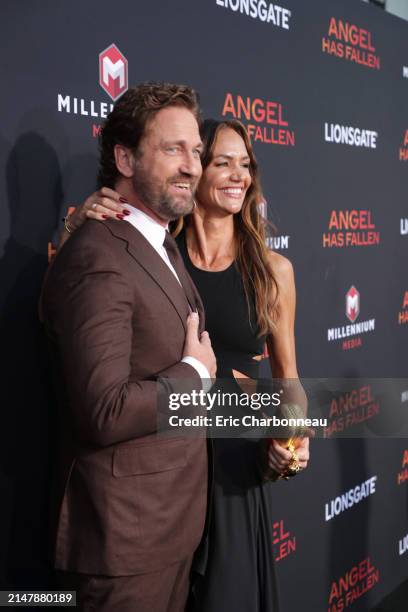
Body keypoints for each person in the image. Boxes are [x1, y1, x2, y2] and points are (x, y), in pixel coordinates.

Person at [63, 118, 310, 611]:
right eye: (222, 162)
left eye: (246, 164)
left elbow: (289, 383)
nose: (239, 175)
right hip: (163, 470)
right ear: (193, 171)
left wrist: (295, 439)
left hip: (234, 471)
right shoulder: (155, 254)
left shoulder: (273, 271)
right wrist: (75, 226)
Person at [41, 82, 217, 612]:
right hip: (123, 550)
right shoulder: (100, 254)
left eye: (196, 152)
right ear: (124, 157)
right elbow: (104, 409)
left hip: (170, 530)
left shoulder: (160, 243)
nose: (192, 166)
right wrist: (193, 374)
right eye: (172, 149)